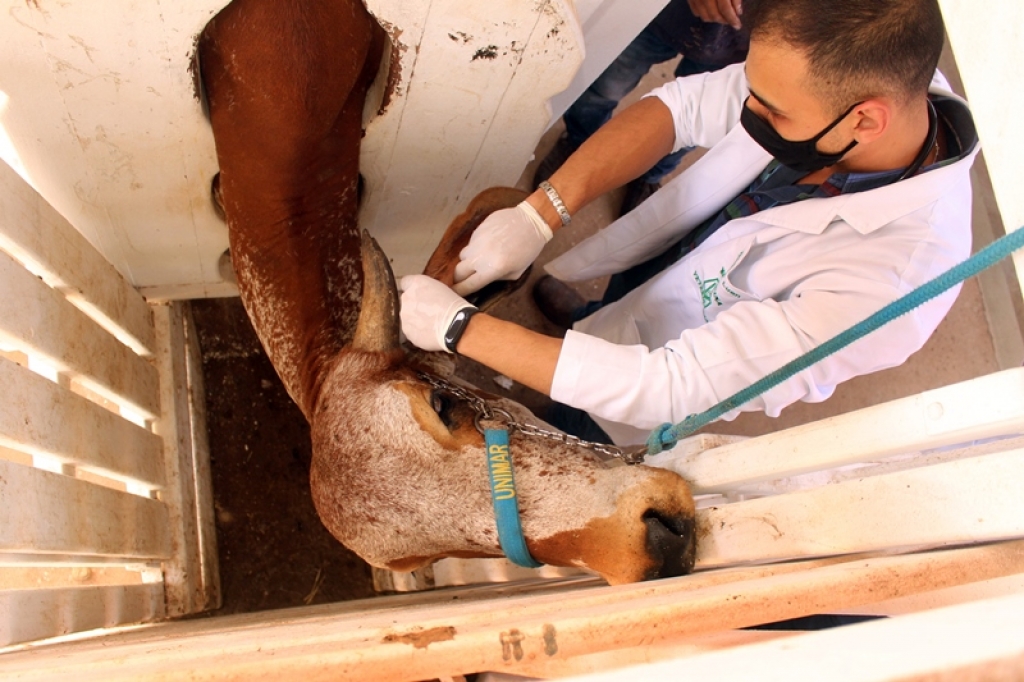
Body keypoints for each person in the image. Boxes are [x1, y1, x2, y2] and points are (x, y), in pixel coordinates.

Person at [400, 0, 979, 447]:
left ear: (865, 120)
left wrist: (459, 330)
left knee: (572, 429)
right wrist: (542, 210)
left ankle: (558, 407)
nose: (749, 117)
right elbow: (679, 110)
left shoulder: (891, 287)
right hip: (676, 259)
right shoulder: (860, 87)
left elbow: (669, 386)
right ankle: (584, 324)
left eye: (774, 111)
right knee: (616, 310)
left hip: (666, 376)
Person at [534, 0, 749, 217]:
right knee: (604, 87)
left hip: (745, 43)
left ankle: (650, 173)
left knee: (700, 122)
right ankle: (577, 140)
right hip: (659, 12)